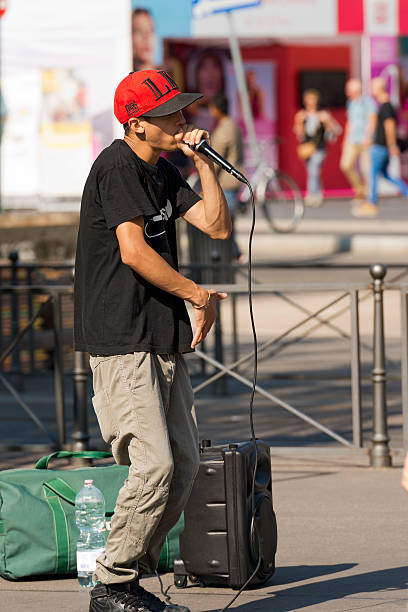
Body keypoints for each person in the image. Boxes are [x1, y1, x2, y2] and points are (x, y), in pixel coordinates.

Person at [74, 69, 231, 612]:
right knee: (155, 466)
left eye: (183, 110)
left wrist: (205, 163)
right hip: (121, 336)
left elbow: (216, 225)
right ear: (137, 124)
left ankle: (127, 580)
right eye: (170, 113)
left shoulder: (162, 170)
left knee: (184, 466)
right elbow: (134, 252)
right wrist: (198, 295)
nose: (183, 119)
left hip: (160, 336)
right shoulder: (117, 167)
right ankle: (111, 583)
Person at [353, 77, 408, 217]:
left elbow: (390, 126)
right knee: (386, 174)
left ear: (380, 88)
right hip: (380, 144)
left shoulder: (386, 106)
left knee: (372, 174)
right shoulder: (384, 105)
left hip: (381, 146)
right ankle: (406, 191)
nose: (371, 90)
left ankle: (371, 203)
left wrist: (391, 145)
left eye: (372, 87)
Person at [208, 93, 245, 261]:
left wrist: (207, 179)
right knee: (229, 222)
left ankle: (231, 254)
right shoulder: (233, 125)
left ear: (216, 109)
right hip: (233, 182)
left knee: (224, 223)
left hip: (226, 183)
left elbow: (217, 159)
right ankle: (235, 253)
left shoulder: (224, 129)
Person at [294, 89, 341, 207]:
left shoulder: (323, 114)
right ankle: (318, 193)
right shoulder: (302, 115)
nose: (311, 103)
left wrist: (327, 122)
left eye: (313, 100)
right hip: (307, 148)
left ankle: (311, 195)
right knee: (312, 172)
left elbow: (335, 131)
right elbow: (300, 135)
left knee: (313, 170)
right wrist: (299, 122)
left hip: (319, 147)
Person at [340, 78, 377, 204]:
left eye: (348, 89)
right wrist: (345, 139)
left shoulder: (368, 102)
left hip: (365, 140)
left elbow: (372, 120)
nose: (346, 92)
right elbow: (349, 122)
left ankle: (366, 195)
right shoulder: (350, 103)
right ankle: (360, 190)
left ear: (355, 90)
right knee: (345, 165)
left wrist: (368, 137)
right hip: (352, 139)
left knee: (365, 168)